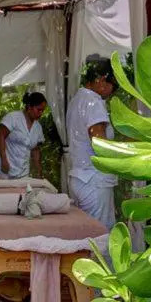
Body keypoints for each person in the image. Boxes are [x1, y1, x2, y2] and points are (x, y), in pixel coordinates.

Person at [66, 58, 119, 230]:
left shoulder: (77, 100)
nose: (112, 92)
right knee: (100, 235)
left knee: (85, 234)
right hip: (94, 181)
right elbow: (100, 144)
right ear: (102, 80)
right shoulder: (93, 102)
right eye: (114, 86)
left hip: (80, 177)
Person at [0, 92, 47, 179]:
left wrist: (38, 170)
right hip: (2, 169)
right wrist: (3, 159)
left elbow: (35, 149)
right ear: (29, 107)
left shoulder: (38, 127)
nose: (41, 113)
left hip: (22, 172)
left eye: (43, 110)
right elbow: (1, 135)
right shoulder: (13, 118)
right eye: (39, 109)